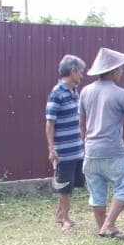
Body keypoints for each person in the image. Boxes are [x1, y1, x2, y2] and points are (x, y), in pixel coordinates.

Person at [78, 47, 124, 240]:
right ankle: (108, 225)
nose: (122, 72)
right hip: (113, 150)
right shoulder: (121, 93)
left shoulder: (85, 91)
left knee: (97, 191)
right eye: (121, 69)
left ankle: (104, 227)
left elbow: (82, 122)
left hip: (91, 150)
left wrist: (86, 143)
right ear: (114, 70)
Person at [44, 54, 87, 230]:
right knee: (65, 186)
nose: (82, 76)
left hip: (76, 148)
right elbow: (50, 122)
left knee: (72, 184)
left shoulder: (74, 91)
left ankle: (60, 214)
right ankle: (65, 219)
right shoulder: (57, 93)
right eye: (81, 72)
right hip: (64, 150)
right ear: (73, 71)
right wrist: (51, 148)